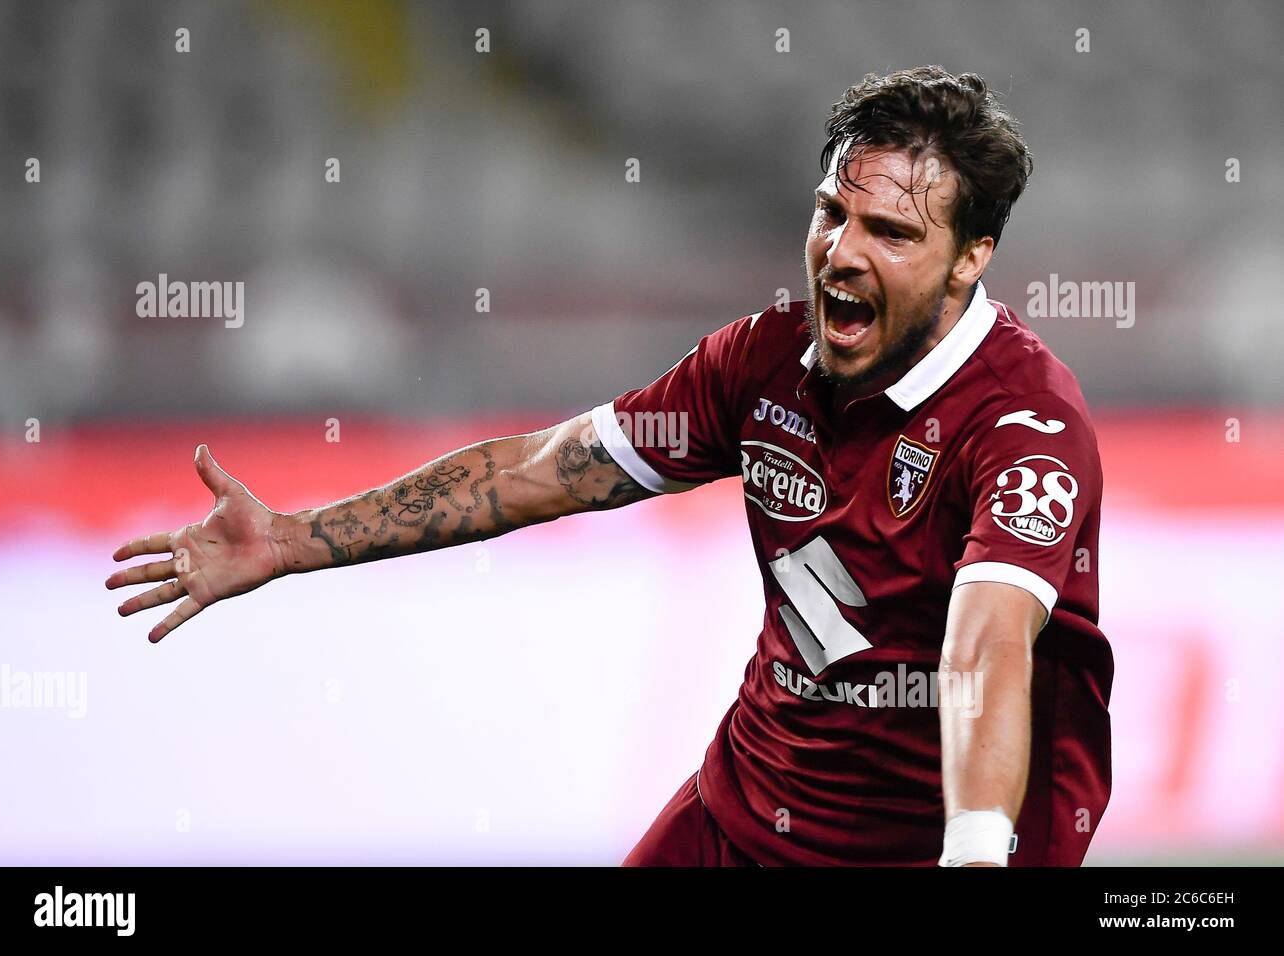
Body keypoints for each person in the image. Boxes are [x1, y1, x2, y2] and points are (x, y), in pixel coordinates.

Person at [107, 66, 1112, 866]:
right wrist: (291, 537)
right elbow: (537, 470)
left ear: (971, 256)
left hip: (931, 844)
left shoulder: (1024, 424)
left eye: (889, 232)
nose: (839, 253)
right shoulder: (758, 365)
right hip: (748, 813)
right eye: (829, 213)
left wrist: (975, 853)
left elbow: (983, 653)